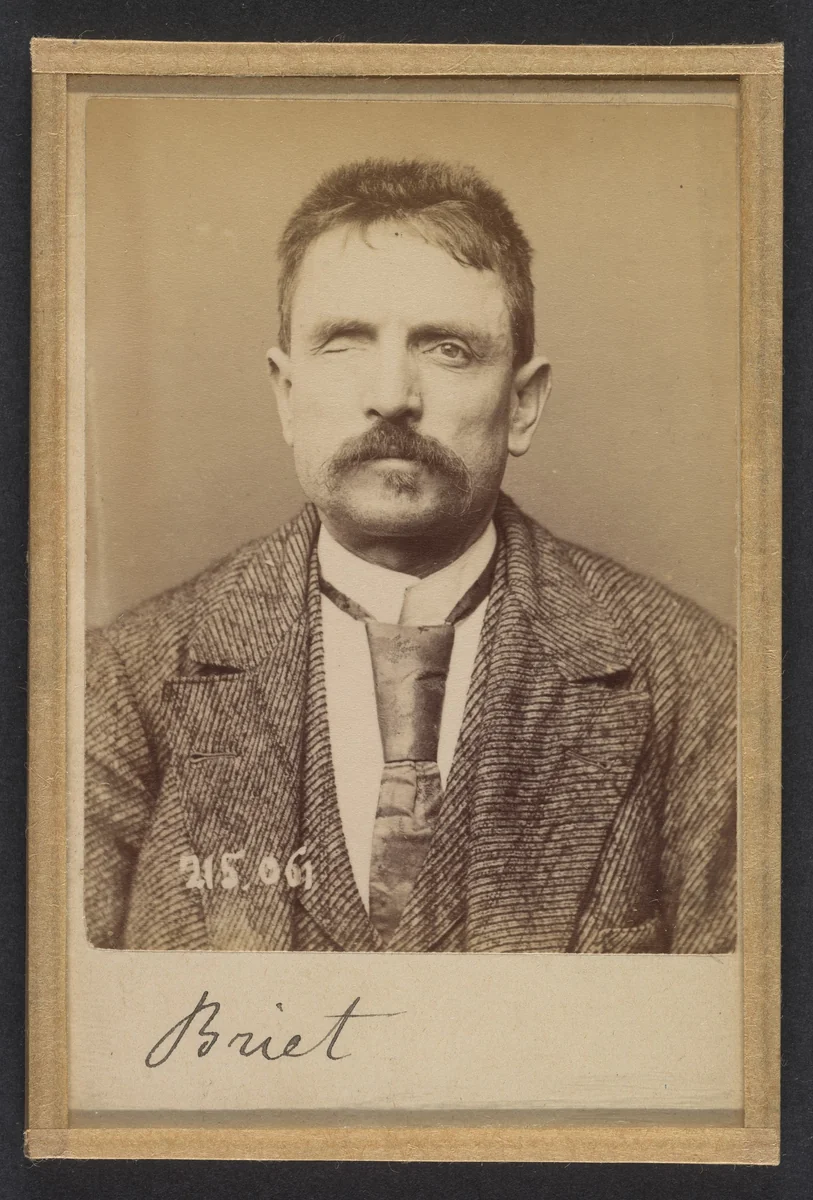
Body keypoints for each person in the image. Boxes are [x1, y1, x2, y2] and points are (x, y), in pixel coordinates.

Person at [85, 158, 737, 954]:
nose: (392, 393)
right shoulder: (120, 681)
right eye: (345, 343)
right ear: (286, 396)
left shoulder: (698, 680)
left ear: (523, 405)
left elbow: (738, 1054)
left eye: (448, 349)